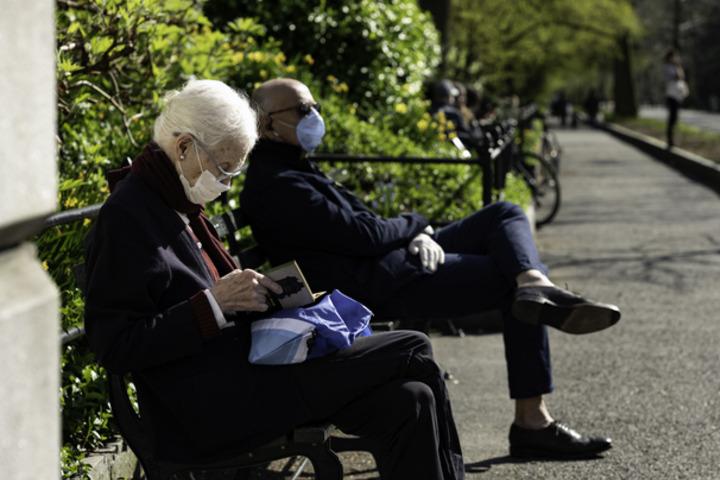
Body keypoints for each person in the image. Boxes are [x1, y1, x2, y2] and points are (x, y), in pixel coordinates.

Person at [83, 79, 464, 480]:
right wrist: (214, 304)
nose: (227, 182)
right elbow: (116, 345)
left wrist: (264, 296)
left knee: (411, 400)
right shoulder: (129, 215)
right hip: (211, 406)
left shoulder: (174, 199)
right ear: (183, 147)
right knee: (414, 346)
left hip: (250, 374)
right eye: (225, 167)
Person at [241, 78, 621, 459]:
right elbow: (367, 235)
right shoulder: (279, 184)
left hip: (394, 260)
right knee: (507, 283)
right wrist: (415, 224)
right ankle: (532, 422)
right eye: (303, 110)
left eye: (315, 105)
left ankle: (533, 282)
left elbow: (366, 229)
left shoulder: (294, 167)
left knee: (503, 214)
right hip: (381, 282)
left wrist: (412, 233)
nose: (315, 116)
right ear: (266, 124)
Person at [664, 49, 689, 148]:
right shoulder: (668, 67)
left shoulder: (676, 67)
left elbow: (682, 76)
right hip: (671, 95)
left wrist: (678, 67)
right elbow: (677, 77)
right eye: (674, 57)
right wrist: (678, 67)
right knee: (672, 118)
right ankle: (670, 140)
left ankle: (673, 139)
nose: (675, 58)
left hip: (677, 95)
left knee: (675, 118)